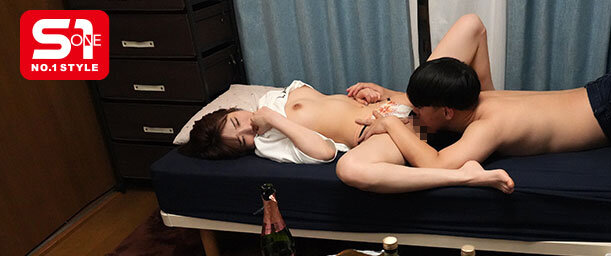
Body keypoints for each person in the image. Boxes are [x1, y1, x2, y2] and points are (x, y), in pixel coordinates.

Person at [180, 14, 514, 194]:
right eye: (242, 141)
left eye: (237, 123)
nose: (248, 130)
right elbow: (325, 151)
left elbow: (333, 106)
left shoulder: (269, 99)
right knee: (349, 169)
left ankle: (487, 99)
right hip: (387, 134)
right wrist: (274, 121)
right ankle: (464, 178)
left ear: (233, 110)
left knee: (471, 25)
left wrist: (373, 94)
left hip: (401, 104)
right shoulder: (268, 142)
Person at [355, 54, 611, 191]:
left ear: (447, 111)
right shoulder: (471, 96)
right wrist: (389, 100)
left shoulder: (488, 124)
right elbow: (425, 114)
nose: (414, 115)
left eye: (419, 109)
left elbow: (437, 166)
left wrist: (392, 127)